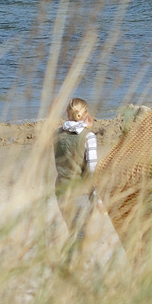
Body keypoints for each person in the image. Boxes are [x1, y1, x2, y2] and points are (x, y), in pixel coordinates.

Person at [54, 97, 100, 246]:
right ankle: (67, 266)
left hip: (61, 190)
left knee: (74, 232)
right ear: (86, 114)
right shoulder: (89, 137)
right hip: (81, 193)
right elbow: (92, 171)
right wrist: (98, 199)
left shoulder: (56, 134)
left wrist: (85, 127)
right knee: (80, 236)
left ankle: (66, 265)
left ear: (67, 112)